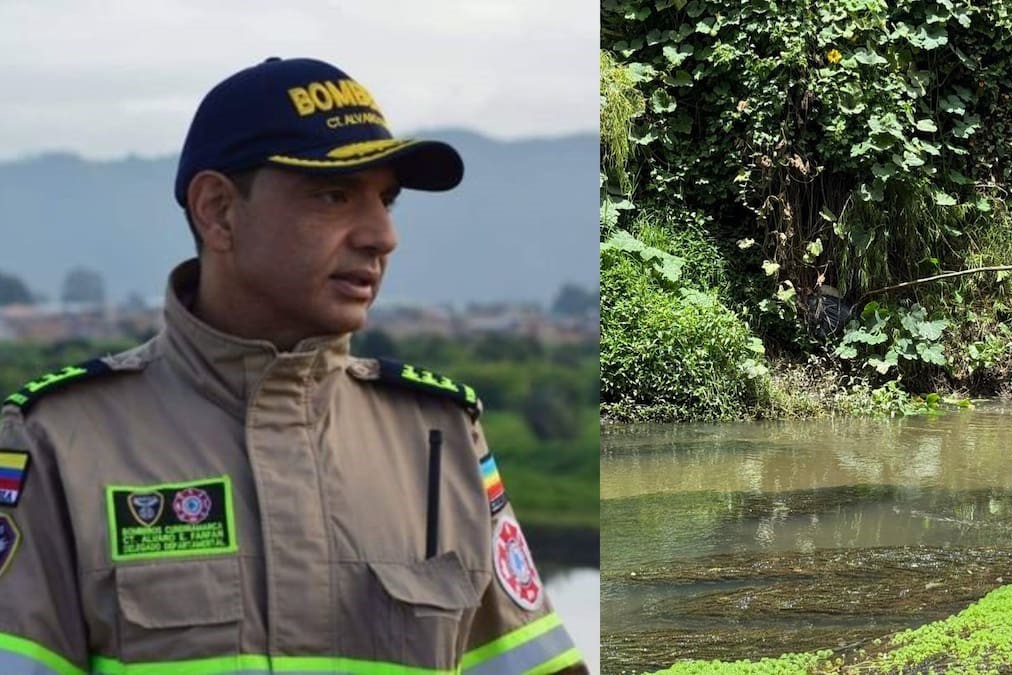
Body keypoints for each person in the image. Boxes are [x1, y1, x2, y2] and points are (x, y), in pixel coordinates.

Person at [0, 57, 585, 674]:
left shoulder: (438, 437)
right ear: (217, 211)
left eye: (386, 200)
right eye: (335, 195)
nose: (382, 235)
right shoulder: (62, 439)